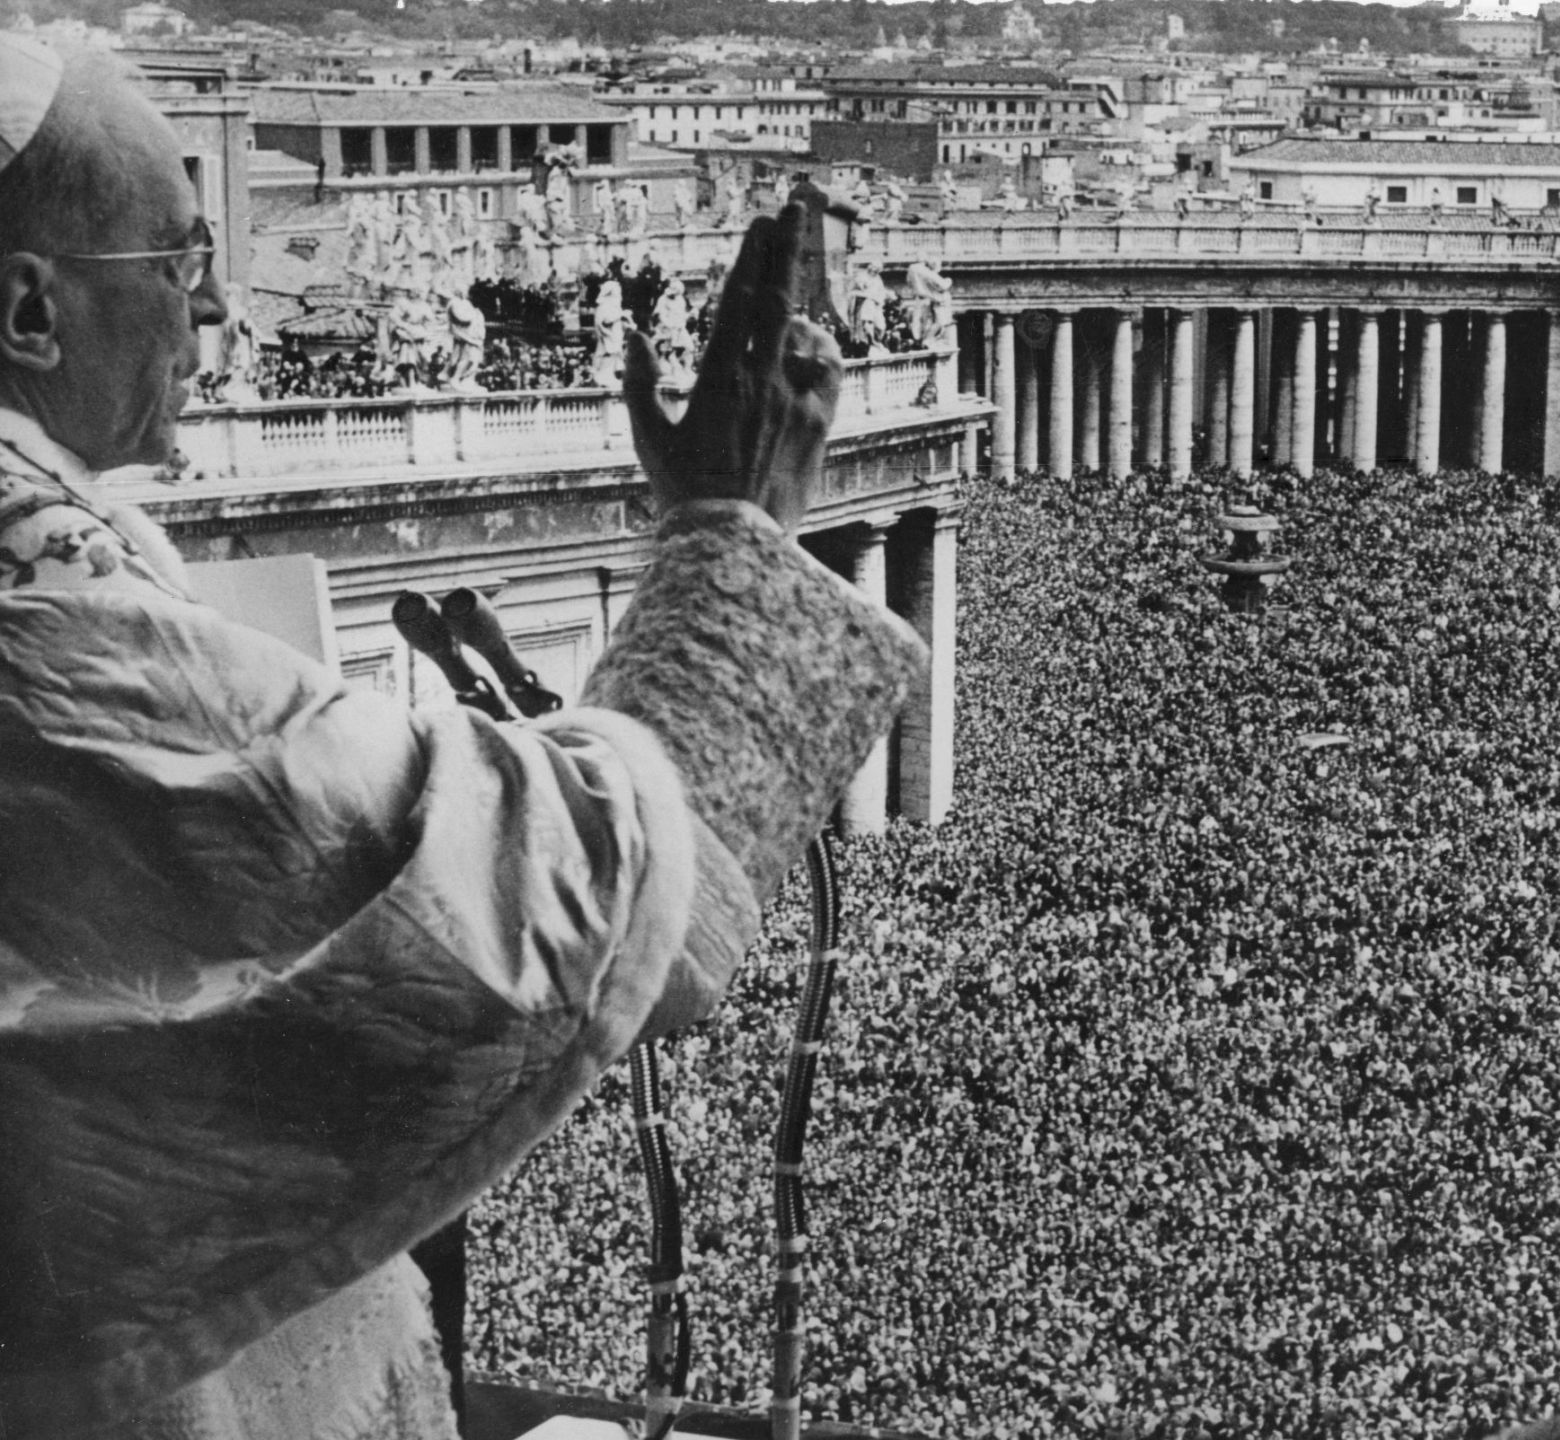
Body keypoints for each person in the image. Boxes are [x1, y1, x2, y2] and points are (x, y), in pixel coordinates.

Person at [0, 38, 925, 1440]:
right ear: (28, 308)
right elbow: (519, 897)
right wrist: (733, 542)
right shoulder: (38, 601)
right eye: (181, 260)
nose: (218, 304)